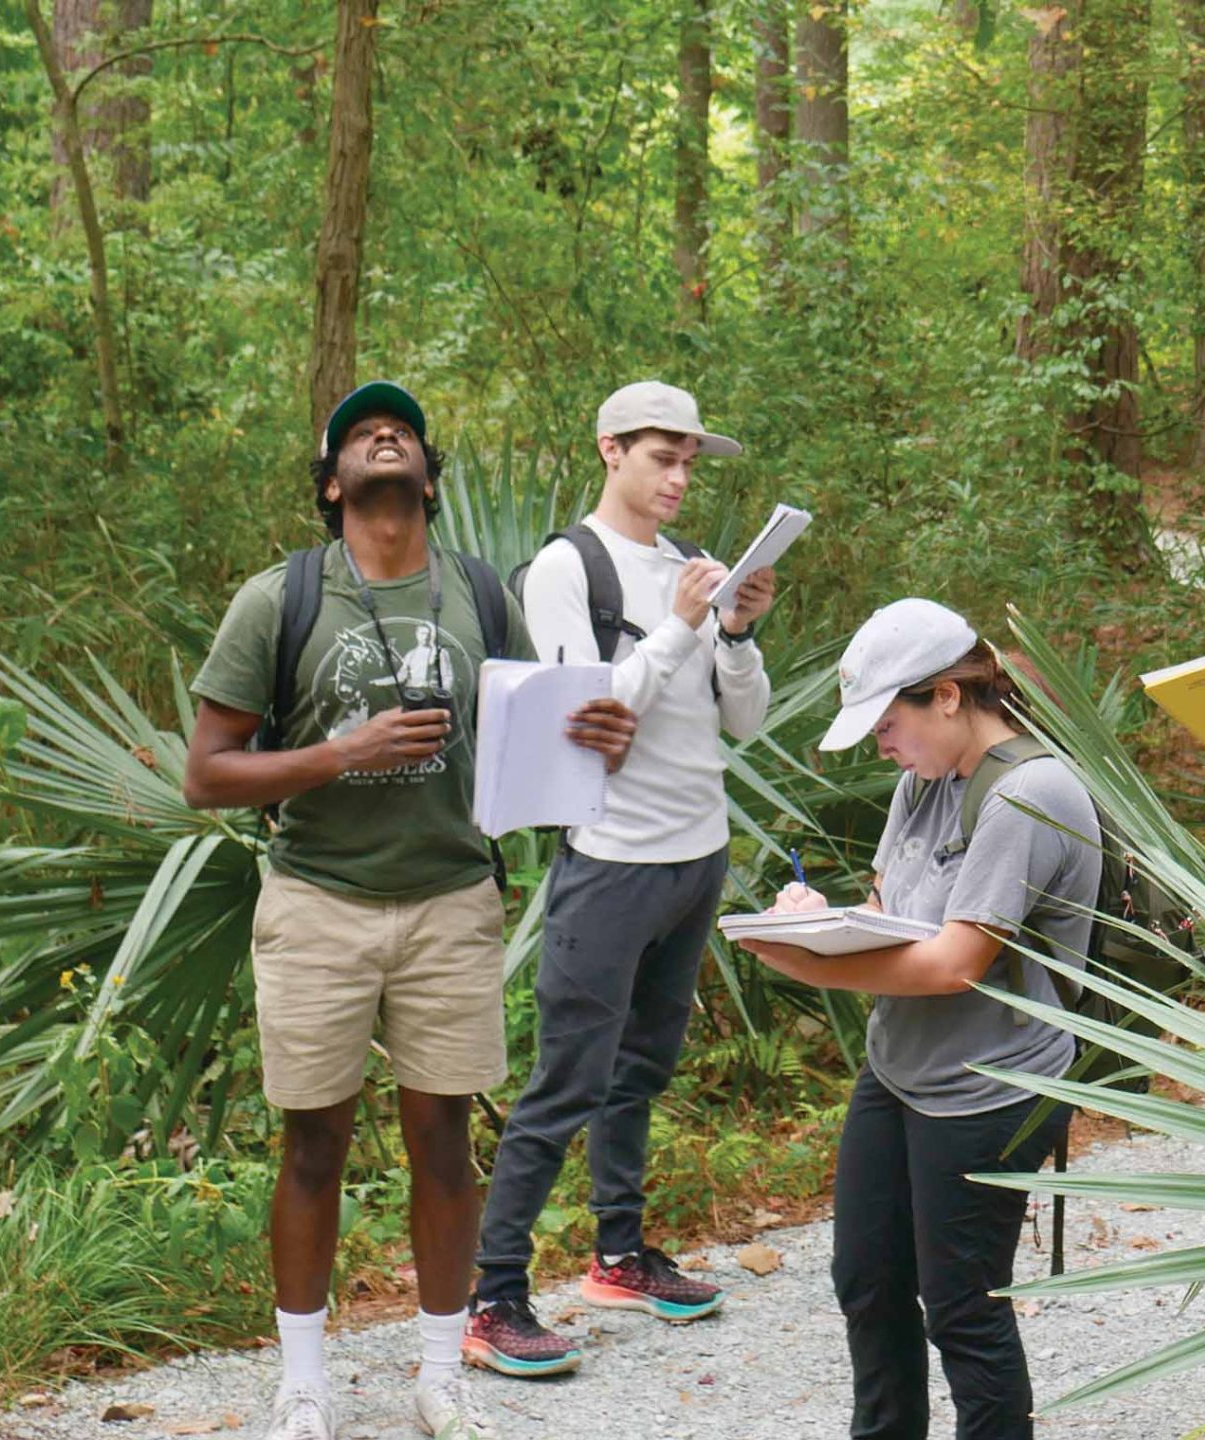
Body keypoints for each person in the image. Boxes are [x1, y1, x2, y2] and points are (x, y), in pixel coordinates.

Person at [181, 382, 637, 1440]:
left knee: (440, 1142)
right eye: (358, 433)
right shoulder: (280, 599)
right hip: (318, 903)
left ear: (428, 478)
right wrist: (340, 754)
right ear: (333, 482)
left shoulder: (479, 594)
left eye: (403, 433)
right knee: (313, 1148)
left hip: (449, 903)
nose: (383, 434)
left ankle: (442, 1375)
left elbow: (535, 734)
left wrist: (595, 741)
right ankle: (304, 1385)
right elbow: (206, 775)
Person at [465, 382, 776, 1375]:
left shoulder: (689, 567)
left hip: (697, 852)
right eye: (662, 457)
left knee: (641, 1070)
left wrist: (734, 632)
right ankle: (493, 1299)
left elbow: (746, 723)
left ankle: (617, 1257)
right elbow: (583, 719)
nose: (680, 478)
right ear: (610, 450)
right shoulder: (569, 566)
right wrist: (685, 627)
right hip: (612, 862)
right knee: (567, 1082)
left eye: (690, 461)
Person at [733, 598, 1096, 1440]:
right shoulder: (922, 783)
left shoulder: (1029, 793)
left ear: (946, 695)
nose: (879, 744)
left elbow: (954, 962)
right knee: (866, 1280)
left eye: (886, 722)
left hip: (989, 1089)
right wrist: (813, 918)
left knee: (962, 1309)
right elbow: (891, 907)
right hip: (899, 1070)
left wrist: (805, 962)